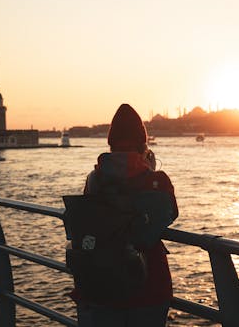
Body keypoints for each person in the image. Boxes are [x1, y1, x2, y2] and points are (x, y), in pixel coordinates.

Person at [71, 103, 179, 326]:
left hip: (99, 282)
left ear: (110, 143)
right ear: (143, 142)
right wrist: (149, 170)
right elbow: (168, 215)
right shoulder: (156, 181)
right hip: (147, 287)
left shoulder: (94, 179)